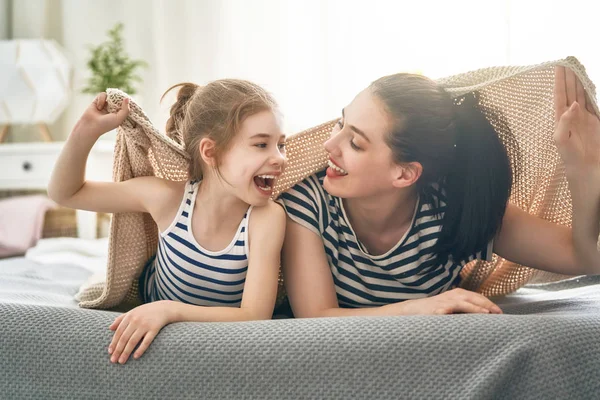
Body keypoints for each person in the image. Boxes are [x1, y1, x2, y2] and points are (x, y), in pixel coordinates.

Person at [279, 66, 600, 318]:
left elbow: (585, 257)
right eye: (341, 122)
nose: (328, 145)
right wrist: (420, 308)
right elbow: (317, 316)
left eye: (355, 143)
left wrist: (581, 175)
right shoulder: (308, 202)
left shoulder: (455, 204)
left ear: (404, 174)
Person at [48, 79, 287, 363]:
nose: (280, 158)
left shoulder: (266, 218)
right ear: (210, 152)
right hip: (150, 291)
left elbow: (254, 316)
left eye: (281, 145)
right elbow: (66, 193)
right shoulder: (167, 199)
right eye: (261, 144)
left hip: (165, 304)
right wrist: (85, 132)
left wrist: (168, 310)